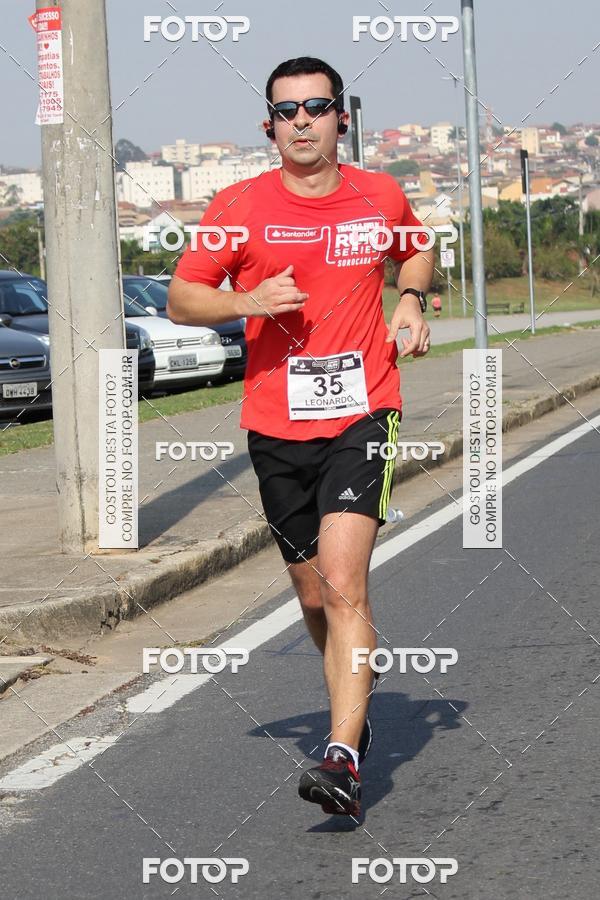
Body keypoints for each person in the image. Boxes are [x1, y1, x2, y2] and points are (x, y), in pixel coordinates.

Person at [167, 56, 433, 817]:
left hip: (363, 412)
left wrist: (410, 299)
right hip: (276, 425)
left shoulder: (378, 194)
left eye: (317, 107)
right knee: (314, 595)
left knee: (347, 583)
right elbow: (185, 298)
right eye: (287, 111)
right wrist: (251, 297)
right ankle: (354, 679)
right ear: (270, 126)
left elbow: (414, 246)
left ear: (341, 117)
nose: (303, 121)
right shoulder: (239, 205)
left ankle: (343, 756)